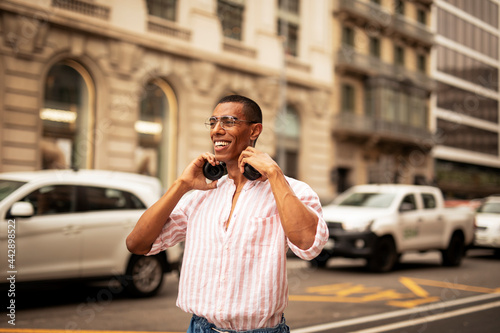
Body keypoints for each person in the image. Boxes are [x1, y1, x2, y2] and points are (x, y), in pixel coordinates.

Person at [126, 95, 329, 333]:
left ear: (255, 131)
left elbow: (308, 245)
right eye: (212, 122)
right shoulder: (201, 195)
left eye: (228, 121)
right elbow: (137, 243)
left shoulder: (292, 191)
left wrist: (275, 175)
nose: (217, 130)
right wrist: (181, 185)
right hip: (199, 328)